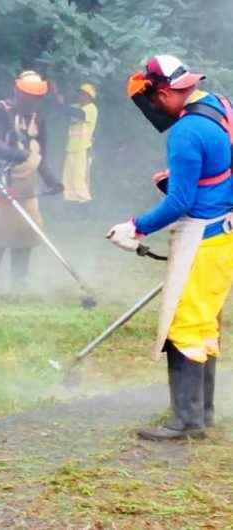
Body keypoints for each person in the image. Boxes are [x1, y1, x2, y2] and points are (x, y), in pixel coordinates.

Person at [108, 55, 233, 440]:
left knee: (183, 325)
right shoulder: (219, 104)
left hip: (204, 237)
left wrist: (136, 227)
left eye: (153, 100)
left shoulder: (185, 133)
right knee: (203, 320)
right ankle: (203, 412)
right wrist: (186, 177)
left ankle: (186, 422)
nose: (153, 110)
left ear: (163, 92)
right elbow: (219, 165)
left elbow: (179, 204)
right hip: (226, 232)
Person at [0, 70, 62, 292]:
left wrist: (51, 180)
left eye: (36, 97)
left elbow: (40, 154)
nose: (32, 101)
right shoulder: (2, 110)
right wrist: (15, 154)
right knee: (1, 230)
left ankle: (18, 282)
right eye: (27, 96)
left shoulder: (38, 118)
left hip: (28, 184)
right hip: (3, 180)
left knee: (27, 230)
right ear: (18, 92)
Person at [61, 83, 98, 203]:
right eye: (80, 93)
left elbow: (77, 113)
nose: (80, 95)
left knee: (79, 177)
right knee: (68, 177)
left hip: (83, 148)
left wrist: (59, 98)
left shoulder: (91, 109)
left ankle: (85, 203)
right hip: (71, 147)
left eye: (83, 94)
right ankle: (70, 201)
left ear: (89, 96)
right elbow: (65, 110)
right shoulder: (76, 106)